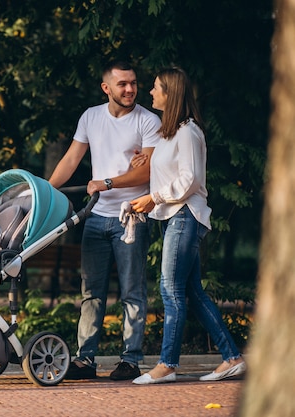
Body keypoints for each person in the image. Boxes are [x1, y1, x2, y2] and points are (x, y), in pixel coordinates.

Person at [129, 67, 246, 384]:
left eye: (155, 88)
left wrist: (154, 197)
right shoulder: (169, 134)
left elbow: (190, 180)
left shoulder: (189, 132)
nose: (150, 92)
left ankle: (167, 364)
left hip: (185, 215)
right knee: (192, 292)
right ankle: (232, 357)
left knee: (171, 291)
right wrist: (147, 161)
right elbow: (173, 171)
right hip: (173, 216)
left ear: (171, 93)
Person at [48, 61, 162, 380]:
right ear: (106, 88)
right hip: (96, 218)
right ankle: (86, 360)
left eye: (134, 83)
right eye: (123, 84)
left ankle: (131, 359)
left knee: (132, 291)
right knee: (91, 292)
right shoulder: (91, 117)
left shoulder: (148, 121)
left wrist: (107, 182)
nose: (130, 89)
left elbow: (148, 170)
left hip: (132, 217)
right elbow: (72, 158)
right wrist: (44, 191)